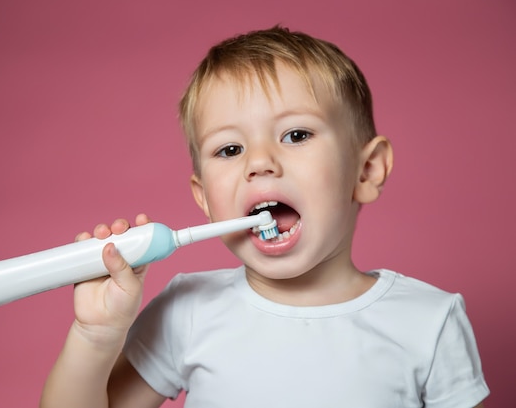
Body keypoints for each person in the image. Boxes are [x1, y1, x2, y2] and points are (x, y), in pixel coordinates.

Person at [40, 26, 489, 408]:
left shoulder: (429, 321)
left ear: (366, 170)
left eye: (295, 135)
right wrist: (95, 335)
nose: (259, 163)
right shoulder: (188, 310)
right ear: (204, 198)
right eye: (229, 149)